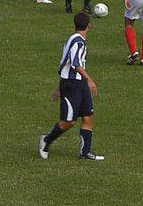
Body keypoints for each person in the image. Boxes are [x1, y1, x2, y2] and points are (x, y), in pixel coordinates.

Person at [38, 12, 103, 161]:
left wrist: (60, 88)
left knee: (88, 116)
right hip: (73, 85)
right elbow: (75, 63)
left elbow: (64, 64)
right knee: (69, 121)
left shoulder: (73, 39)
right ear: (89, 25)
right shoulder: (78, 42)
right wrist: (90, 80)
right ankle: (46, 141)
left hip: (77, 84)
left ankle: (85, 152)